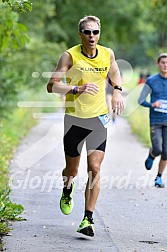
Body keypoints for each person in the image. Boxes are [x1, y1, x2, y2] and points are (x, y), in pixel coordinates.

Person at [47, 15, 124, 237]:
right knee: (72, 170)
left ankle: (87, 219)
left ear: (99, 34)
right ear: (80, 34)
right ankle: (67, 188)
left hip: (98, 118)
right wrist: (74, 90)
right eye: (87, 32)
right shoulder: (69, 56)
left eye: (95, 32)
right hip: (74, 119)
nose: (92, 36)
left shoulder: (107, 54)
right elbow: (51, 86)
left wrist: (117, 91)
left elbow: (115, 71)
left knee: (95, 168)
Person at [138, 53, 167, 188]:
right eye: (162, 62)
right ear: (158, 64)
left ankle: (159, 177)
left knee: (166, 152)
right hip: (155, 120)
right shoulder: (151, 80)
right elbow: (141, 100)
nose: (165, 65)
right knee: (158, 149)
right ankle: (151, 154)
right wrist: (152, 105)